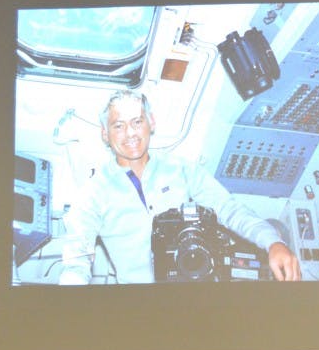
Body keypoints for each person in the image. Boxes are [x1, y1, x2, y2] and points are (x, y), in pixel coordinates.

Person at [60, 89, 301, 284]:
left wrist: (273, 242)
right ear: (105, 134)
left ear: (151, 123)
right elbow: (77, 258)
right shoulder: (93, 193)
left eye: (137, 121)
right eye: (118, 126)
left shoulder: (182, 169)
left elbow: (228, 209)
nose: (130, 133)